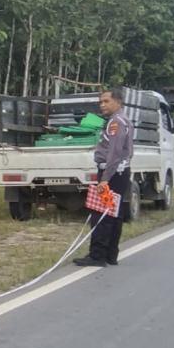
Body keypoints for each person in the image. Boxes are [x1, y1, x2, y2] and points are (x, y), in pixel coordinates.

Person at [74, 87, 134, 268]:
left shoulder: (116, 122)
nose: (102, 105)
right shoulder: (123, 120)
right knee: (114, 214)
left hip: (112, 173)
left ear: (118, 102)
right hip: (119, 172)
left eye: (106, 101)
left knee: (101, 214)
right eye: (101, 102)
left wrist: (105, 179)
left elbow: (114, 153)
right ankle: (110, 254)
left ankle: (97, 255)